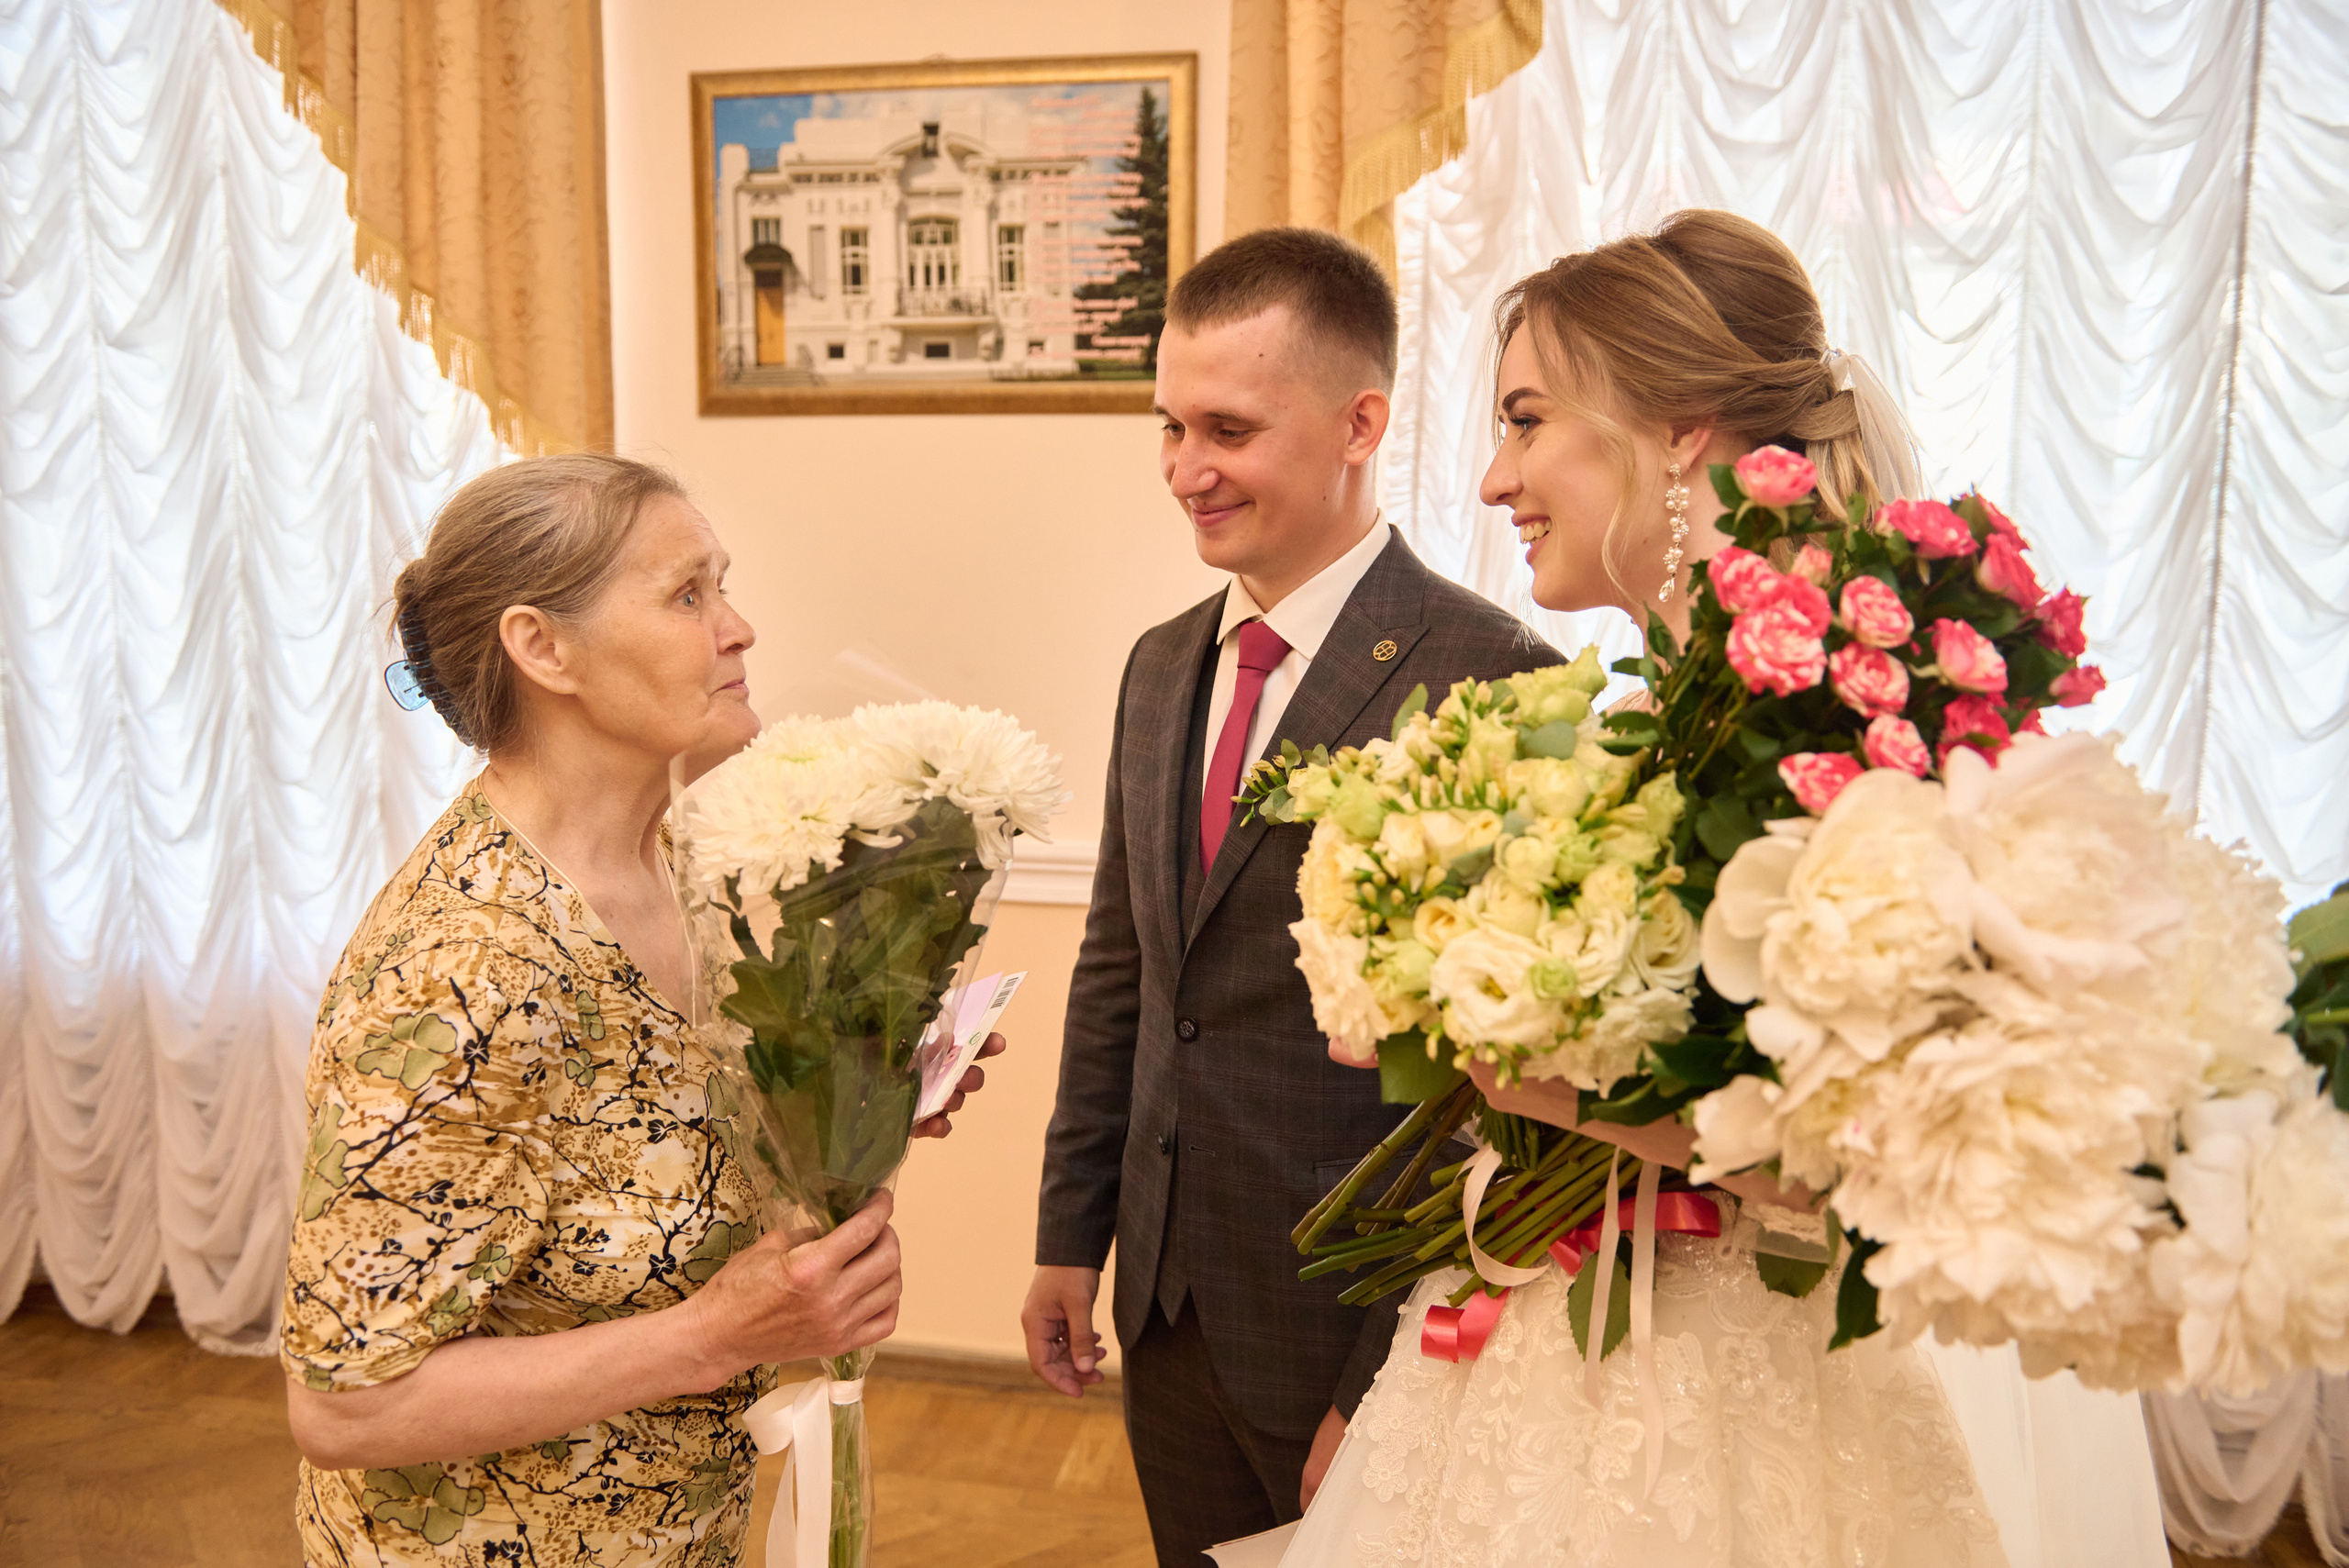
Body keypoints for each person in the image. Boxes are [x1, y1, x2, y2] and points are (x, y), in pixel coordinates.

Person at [1279, 211, 2044, 1566]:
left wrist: (1515, 1069)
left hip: (1725, 1380)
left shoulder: (1823, 723)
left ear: (1678, 427)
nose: (1492, 477)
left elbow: (1844, 1160)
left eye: (1526, 419)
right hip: (1545, 1336)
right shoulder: (1646, 714)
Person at [280, 454, 998, 1566]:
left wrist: (858, 1097)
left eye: (723, 586)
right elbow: (347, 1406)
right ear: (543, 646)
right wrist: (716, 1334)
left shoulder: (684, 866)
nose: (739, 626)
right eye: (686, 594)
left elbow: (644, 1153)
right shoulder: (462, 964)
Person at [1025, 227, 1559, 1563]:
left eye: (1228, 428)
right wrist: (1067, 1241)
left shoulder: (1490, 680)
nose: (1185, 471)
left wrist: (1377, 1369)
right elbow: (1126, 976)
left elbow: (1488, 1093)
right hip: (1165, 1302)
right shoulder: (1160, 668)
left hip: (1349, 1316)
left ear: (1359, 422)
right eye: (1167, 427)